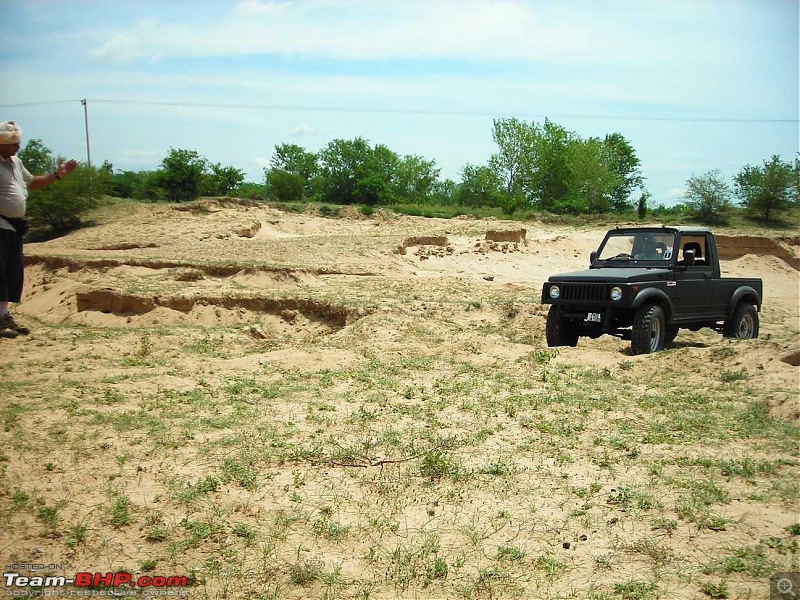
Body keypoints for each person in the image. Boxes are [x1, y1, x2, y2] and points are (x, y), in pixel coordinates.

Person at [0, 120, 77, 338]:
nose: (18, 147)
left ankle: (4, 317)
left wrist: (58, 175)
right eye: (13, 143)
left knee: (10, 272)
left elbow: (32, 183)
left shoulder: (15, 162)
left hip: (14, 227)